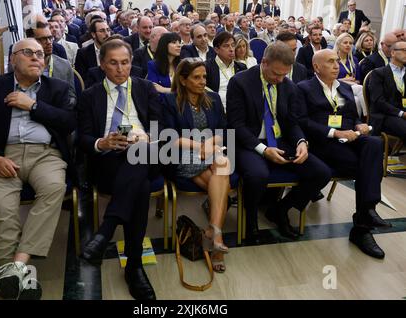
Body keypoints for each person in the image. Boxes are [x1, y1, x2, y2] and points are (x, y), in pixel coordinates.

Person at [0, 38, 76, 299]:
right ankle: (18, 275)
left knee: (53, 189)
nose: (37, 57)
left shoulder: (57, 88)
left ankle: (16, 266)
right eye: (28, 52)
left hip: (46, 155)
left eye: (40, 53)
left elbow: (69, 122)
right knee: (2, 208)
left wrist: (34, 106)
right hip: (3, 155)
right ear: (12, 59)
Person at [78, 39, 161, 300]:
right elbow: (81, 137)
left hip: (146, 152)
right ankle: (133, 267)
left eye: (125, 62)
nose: (120, 68)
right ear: (102, 64)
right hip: (108, 160)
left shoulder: (146, 89)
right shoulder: (89, 95)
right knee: (141, 187)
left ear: (131, 63)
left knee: (141, 154)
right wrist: (102, 142)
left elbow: (162, 128)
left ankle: (106, 231)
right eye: (113, 63)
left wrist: (147, 138)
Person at [227, 42, 331, 239]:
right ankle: (250, 221)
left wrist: (301, 142)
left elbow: (292, 122)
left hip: (280, 141)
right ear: (264, 62)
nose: (279, 79)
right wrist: (263, 150)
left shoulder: (288, 85)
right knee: (257, 175)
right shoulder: (239, 82)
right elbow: (236, 126)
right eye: (276, 73)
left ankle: (280, 210)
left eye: (284, 74)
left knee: (321, 173)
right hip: (249, 143)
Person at [296, 49, 389, 259]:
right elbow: (302, 121)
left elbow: (353, 116)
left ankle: (367, 213)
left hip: (350, 138)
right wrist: (334, 132)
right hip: (324, 142)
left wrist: (359, 125)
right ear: (317, 67)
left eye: (337, 61)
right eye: (330, 62)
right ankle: (363, 225)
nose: (337, 65)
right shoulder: (303, 88)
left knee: (374, 143)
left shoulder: (345, 89)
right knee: (365, 166)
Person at [163, 58, 230, 272]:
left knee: (222, 162)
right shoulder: (169, 101)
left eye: (204, 77)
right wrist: (199, 147)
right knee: (221, 187)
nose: (202, 82)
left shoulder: (213, 99)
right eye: (196, 77)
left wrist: (209, 145)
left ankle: (214, 232)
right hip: (182, 155)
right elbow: (167, 136)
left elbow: (223, 131)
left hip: (211, 152)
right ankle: (216, 241)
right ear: (182, 80)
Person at [27, 22, 76, 109]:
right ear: (31, 41)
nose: (49, 42)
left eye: (50, 38)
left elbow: (72, 96)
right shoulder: (24, 66)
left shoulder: (64, 65)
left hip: (59, 113)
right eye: (43, 39)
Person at [369, 41, 406, 140]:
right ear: (393, 53)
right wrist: (401, 113)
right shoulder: (378, 73)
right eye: (404, 50)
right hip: (385, 116)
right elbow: (378, 101)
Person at [206, 32, 247, 111]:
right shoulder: (207, 67)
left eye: (233, 45)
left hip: (239, 110)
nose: (231, 49)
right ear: (216, 49)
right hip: (217, 111)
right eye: (226, 46)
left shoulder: (241, 67)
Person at [334, 33, 367, 118]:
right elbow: (328, 79)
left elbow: (358, 79)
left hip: (351, 88)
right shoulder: (333, 59)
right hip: (336, 87)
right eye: (345, 43)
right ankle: (368, 116)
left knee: (356, 100)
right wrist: (343, 80)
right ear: (338, 44)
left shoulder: (354, 60)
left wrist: (352, 81)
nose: (348, 45)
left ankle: (358, 122)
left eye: (350, 43)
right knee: (360, 88)